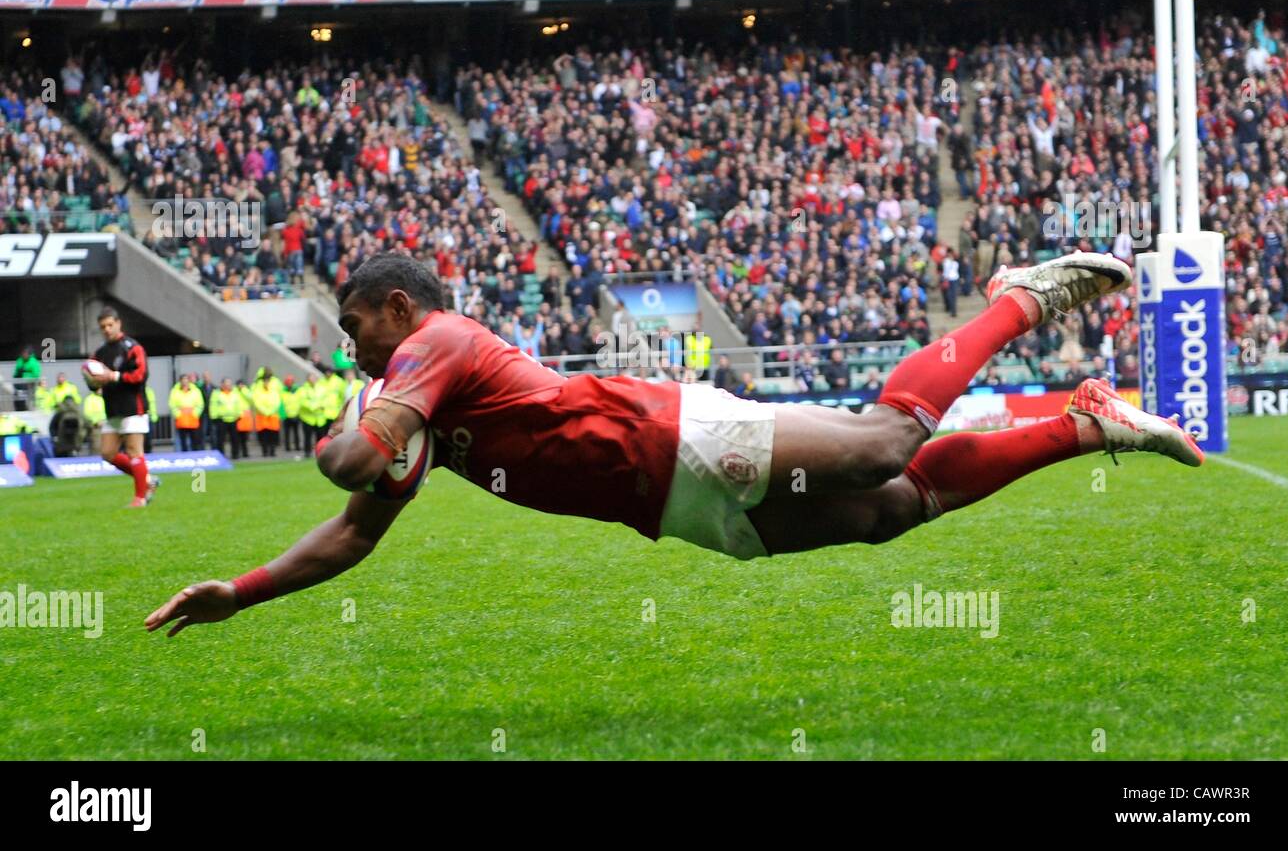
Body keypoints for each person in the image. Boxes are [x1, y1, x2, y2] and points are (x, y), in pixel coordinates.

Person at [145, 252, 1204, 636]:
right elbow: (351, 532)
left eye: (353, 322)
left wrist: (350, 408)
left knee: (883, 443)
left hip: (662, 434)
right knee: (889, 514)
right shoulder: (412, 404)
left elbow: (348, 462)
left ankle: (1013, 304)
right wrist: (238, 590)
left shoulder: (433, 341)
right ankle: (1078, 420)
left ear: (393, 306)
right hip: (663, 502)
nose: (350, 340)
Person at [86, 308, 158, 508]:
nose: (107, 330)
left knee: (135, 452)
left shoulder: (132, 347)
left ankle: (140, 498)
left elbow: (141, 375)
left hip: (134, 408)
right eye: (103, 327)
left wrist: (114, 376)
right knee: (107, 453)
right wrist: (92, 381)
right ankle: (148, 481)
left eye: (110, 325)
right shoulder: (99, 354)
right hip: (113, 409)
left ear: (118, 323)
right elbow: (94, 384)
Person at [169, 374, 206, 452]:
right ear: (180, 381)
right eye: (183, 379)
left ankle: (194, 455)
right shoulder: (175, 391)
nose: (185, 381)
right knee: (182, 440)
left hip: (192, 419)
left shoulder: (196, 391)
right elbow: (172, 404)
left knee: (194, 440)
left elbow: (200, 404)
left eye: (186, 379)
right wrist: (178, 414)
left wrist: (195, 414)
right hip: (181, 419)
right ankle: (184, 456)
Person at [208, 378, 242, 459]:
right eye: (226, 384)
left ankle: (235, 454)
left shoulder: (235, 393)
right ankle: (221, 455)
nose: (228, 386)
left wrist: (239, 415)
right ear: (222, 384)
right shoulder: (216, 393)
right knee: (220, 439)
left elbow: (238, 404)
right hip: (221, 419)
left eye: (229, 384)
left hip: (233, 419)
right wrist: (214, 417)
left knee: (235, 438)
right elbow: (213, 405)